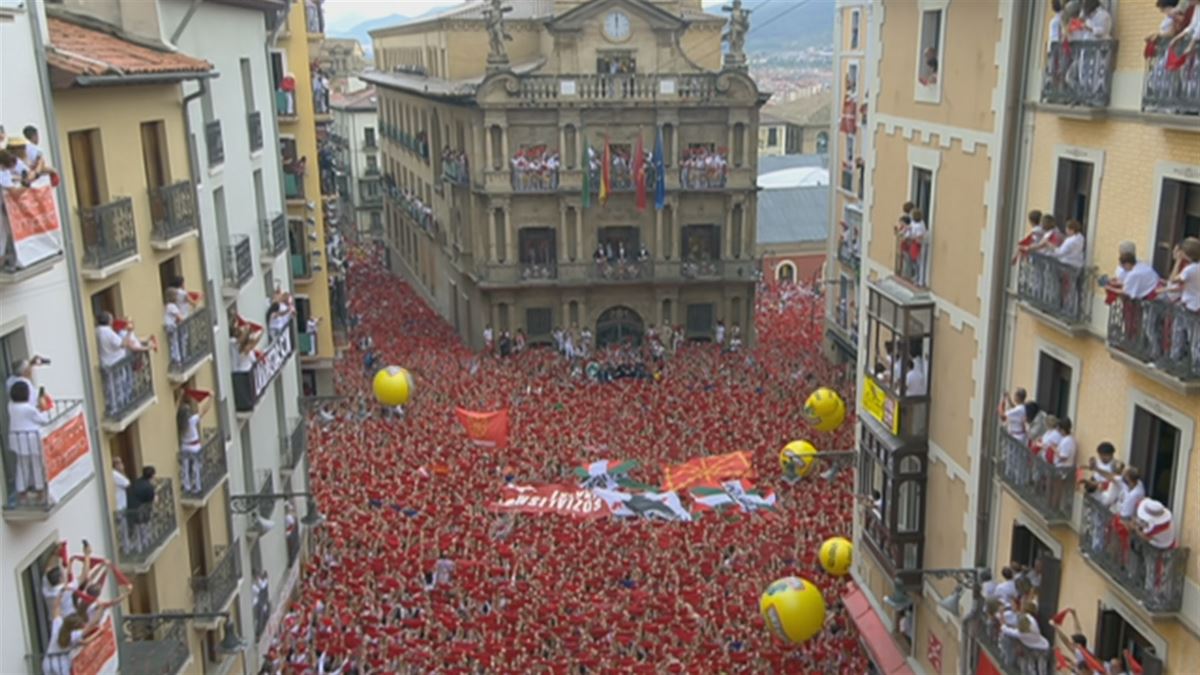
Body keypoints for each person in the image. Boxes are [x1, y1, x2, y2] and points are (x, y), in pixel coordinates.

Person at [7, 379, 51, 504]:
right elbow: (43, 419)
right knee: (36, 465)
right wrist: (44, 408)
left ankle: (21, 491)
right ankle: (40, 490)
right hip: (31, 440)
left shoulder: (11, 406)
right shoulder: (28, 409)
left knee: (21, 466)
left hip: (17, 440)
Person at [127, 466, 159, 553]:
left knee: (137, 533)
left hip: (130, 510)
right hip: (141, 513)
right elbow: (151, 501)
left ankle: (139, 548)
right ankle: (145, 548)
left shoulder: (137, 482)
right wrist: (155, 497)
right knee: (143, 532)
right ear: (152, 476)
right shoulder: (148, 487)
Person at [177, 397, 204, 495]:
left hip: (184, 446)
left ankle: (187, 487)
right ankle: (197, 487)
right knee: (196, 468)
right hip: (194, 446)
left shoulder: (180, 423)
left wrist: (179, 399)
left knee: (185, 467)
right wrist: (211, 398)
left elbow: (176, 409)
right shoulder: (191, 420)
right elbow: (203, 412)